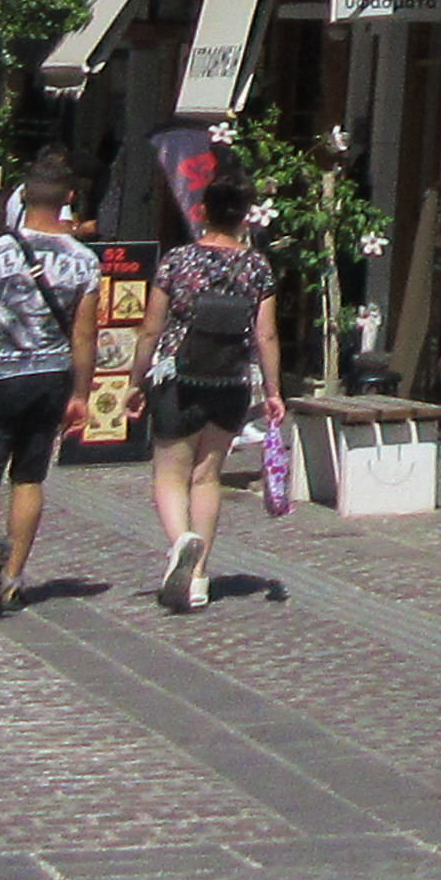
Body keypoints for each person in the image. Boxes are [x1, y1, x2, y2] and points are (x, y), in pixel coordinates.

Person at [0, 165, 103, 617]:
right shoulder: (85, 260)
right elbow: (85, 335)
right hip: (51, 379)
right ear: (68, 198)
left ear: (23, 196)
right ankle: (11, 578)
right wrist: (81, 393)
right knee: (29, 478)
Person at [146, 170, 281, 611]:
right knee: (207, 476)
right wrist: (273, 391)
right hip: (230, 380)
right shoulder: (257, 266)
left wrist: (133, 380)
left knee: (170, 474)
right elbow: (266, 334)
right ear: (245, 217)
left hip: (177, 377)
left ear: (202, 211)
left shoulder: (177, 261)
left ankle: (181, 540)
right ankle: (200, 577)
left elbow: (151, 328)